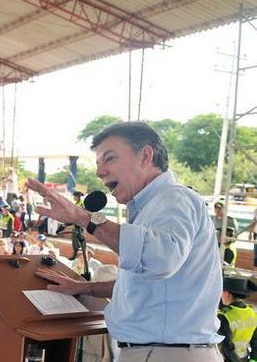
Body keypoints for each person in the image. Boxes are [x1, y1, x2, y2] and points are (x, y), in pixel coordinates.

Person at [28, 121, 223, 362]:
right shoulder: (149, 207)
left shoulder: (173, 198)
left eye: (109, 159)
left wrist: (81, 217)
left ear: (146, 156)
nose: (100, 172)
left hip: (166, 353)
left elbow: (159, 259)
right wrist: (85, 287)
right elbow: (144, 285)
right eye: (98, 163)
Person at [217, 275, 257, 362]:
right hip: (244, 358)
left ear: (227, 294)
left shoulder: (224, 316)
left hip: (228, 359)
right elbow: (255, 340)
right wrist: (254, 359)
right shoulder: (252, 313)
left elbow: (226, 347)